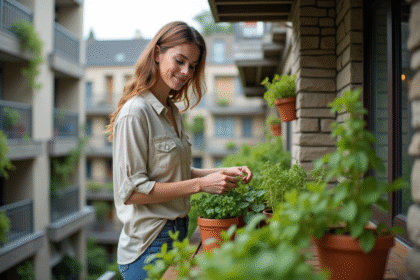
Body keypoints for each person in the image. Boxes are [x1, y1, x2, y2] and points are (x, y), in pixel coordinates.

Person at [106, 21, 253, 280]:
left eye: (193, 66)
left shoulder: (172, 111)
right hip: (148, 246)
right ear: (157, 54)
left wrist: (221, 172)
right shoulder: (135, 113)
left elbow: (178, 173)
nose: (186, 72)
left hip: (176, 234)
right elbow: (131, 192)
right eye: (180, 61)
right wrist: (201, 185)